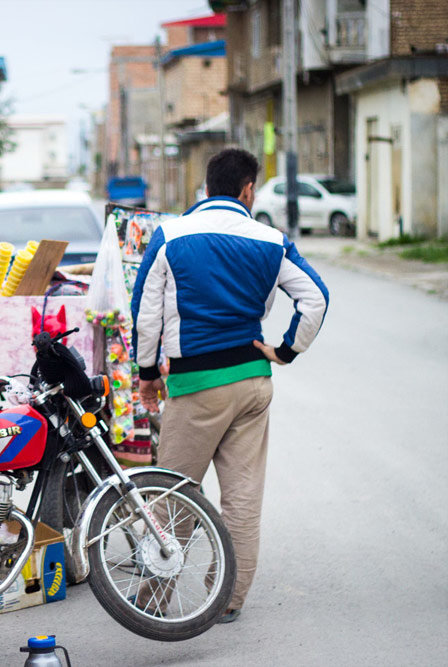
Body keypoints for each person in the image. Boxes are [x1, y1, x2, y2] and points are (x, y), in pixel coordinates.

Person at [130, 148, 329, 623]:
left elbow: (147, 314)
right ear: (247, 190)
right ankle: (229, 597)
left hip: (196, 385)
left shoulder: (170, 235)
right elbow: (315, 298)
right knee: (241, 498)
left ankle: (154, 599)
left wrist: (146, 375)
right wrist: (284, 351)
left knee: (173, 493)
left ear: (206, 188)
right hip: (253, 383)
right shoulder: (272, 240)